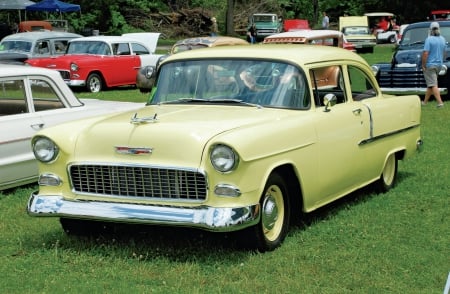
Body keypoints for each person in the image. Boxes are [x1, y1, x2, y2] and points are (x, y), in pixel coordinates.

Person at [422, 22, 446, 107]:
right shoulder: (443, 39)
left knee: (433, 85)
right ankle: (424, 102)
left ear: (430, 30)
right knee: (431, 84)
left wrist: (423, 65)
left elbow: (425, 53)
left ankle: (440, 103)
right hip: (439, 65)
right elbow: (444, 52)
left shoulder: (429, 39)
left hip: (430, 65)